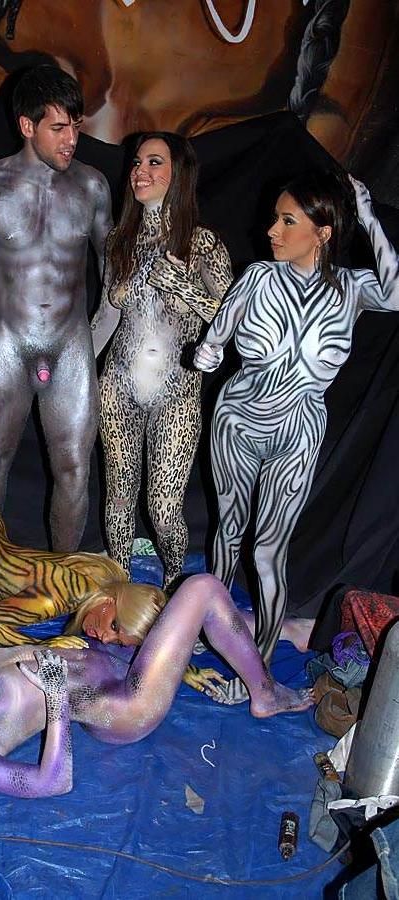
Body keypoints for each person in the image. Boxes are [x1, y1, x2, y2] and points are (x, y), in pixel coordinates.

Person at [0, 573, 314, 798]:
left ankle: (297, 630)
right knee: (201, 590)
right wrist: (54, 698)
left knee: (193, 619)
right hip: (121, 703)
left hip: (104, 657)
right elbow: (51, 783)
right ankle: (265, 695)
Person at [194, 172, 399, 702]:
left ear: (322, 232)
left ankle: (256, 668)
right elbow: (217, 336)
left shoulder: (350, 288)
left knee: (269, 552)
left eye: (288, 221)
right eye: (275, 219)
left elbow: (397, 292)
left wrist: (370, 219)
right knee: (227, 534)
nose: (272, 230)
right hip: (239, 419)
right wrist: (209, 351)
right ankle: (206, 630)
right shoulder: (259, 277)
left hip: (299, 428)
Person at [0, 422, 226, 698]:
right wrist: (42, 646)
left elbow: (147, 633)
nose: (104, 637)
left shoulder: (106, 574)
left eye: (116, 640)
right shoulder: (55, 598)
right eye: (114, 626)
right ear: (112, 602)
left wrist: (184, 669)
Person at [0, 65, 112, 552]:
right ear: (27, 126)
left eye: (76, 126)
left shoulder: (92, 187)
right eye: (59, 128)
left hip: (70, 345)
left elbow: (116, 272)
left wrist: (102, 339)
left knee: (74, 467)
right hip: (7, 342)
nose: (72, 140)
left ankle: (62, 574)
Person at [91, 132, 233, 588]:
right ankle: (120, 589)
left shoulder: (202, 243)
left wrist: (184, 288)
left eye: (154, 162)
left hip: (177, 392)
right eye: (137, 162)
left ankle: (174, 584)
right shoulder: (119, 240)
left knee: (164, 507)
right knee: (118, 495)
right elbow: (104, 319)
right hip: (118, 384)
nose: (140, 172)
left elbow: (236, 321)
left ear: (178, 174)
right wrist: (77, 374)